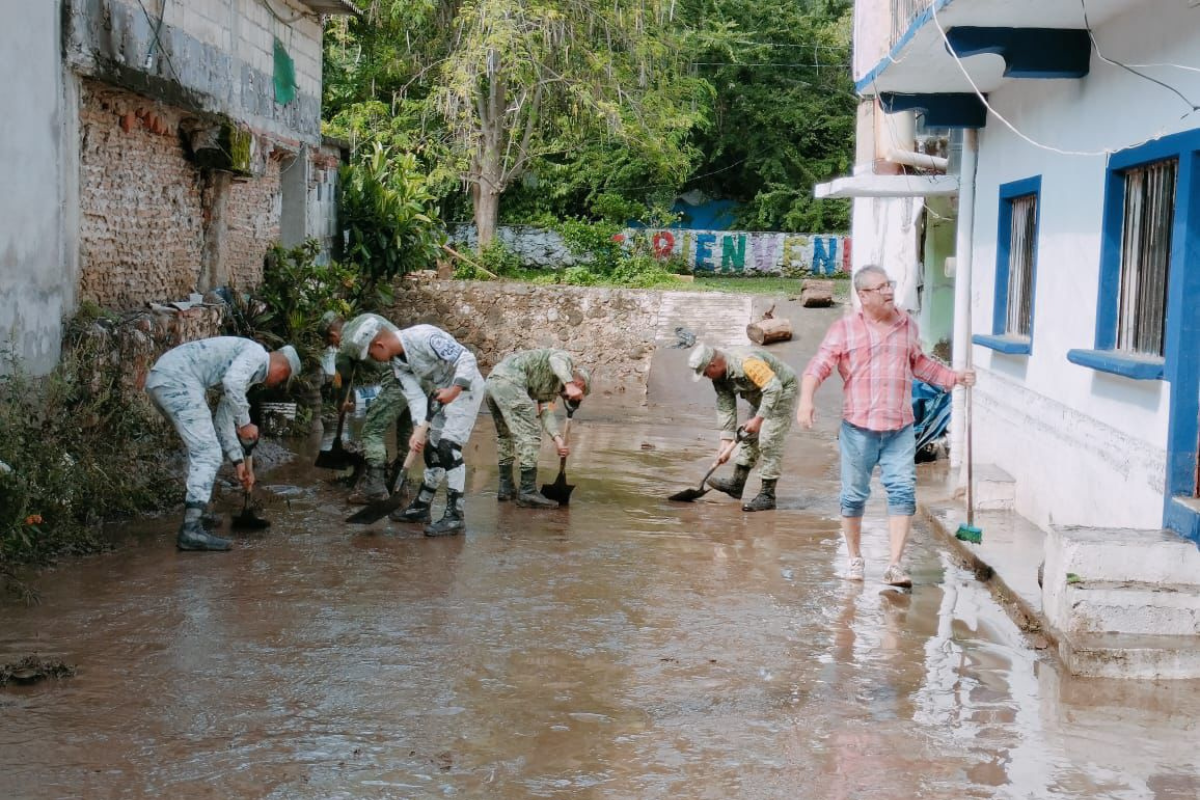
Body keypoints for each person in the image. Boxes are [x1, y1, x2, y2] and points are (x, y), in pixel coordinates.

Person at [797, 265, 976, 587]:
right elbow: (819, 365)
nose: (888, 291)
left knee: (903, 494)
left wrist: (954, 377)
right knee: (853, 497)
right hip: (858, 428)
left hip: (899, 428)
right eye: (880, 287)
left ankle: (894, 565)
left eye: (889, 285)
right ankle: (854, 558)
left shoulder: (906, 324)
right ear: (863, 295)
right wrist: (806, 400)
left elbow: (918, 363)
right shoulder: (845, 329)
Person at [145, 336, 300, 551]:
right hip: (177, 380)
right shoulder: (255, 354)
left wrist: (239, 463)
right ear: (283, 368)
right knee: (208, 453)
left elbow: (223, 423)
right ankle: (191, 529)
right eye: (283, 380)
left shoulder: (245, 376)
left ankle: (197, 514)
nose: (278, 385)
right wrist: (246, 423)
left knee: (201, 449)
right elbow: (231, 383)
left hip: (164, 380)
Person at [349, 319, 485, 536]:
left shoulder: (424, 337)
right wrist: (418, 430)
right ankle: (422, 506)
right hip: (441, 394)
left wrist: (455, 390)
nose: (376, 360)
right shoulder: (397, 365)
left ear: (380, 345)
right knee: (432, 450)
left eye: (373, 355)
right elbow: (414, 398)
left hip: (466, 390)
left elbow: (466, 358)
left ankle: (455, 515)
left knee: (448, 448)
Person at [687, 342, 798, 511]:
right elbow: (725, 404)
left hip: (781, 389)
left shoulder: (747, 363)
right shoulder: (718, 376)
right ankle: (736, 485)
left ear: (713, 364)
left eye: (705, 372)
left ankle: (768, 496)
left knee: (769, 439)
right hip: (760, 393)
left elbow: (774, 388)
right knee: (747, 436)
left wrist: (758, 420)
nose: (705, 376)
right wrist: (725, 441)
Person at [322, 312, 415, 504]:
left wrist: (341, 402)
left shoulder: (346, 346)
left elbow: (342, 379)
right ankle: (398, 481)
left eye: (331, 342)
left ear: (333, 333)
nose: (334, 346)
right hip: (419, 370)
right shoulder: (367, 317)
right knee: (405, 429)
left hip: (398, 377)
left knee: (372, 431)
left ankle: (374, 487)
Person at [484, 348, 590, 508]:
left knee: (505, 436)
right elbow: (556, 361)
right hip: (510, 381)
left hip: (493, 384)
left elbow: (546, 412)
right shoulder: (564, 359)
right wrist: (569, 384)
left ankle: (506, 488)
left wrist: (558, 440)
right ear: (579, 384)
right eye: (576, 395)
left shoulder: (552, 390)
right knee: (531, 433)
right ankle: (527, 491)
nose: (569, 398)